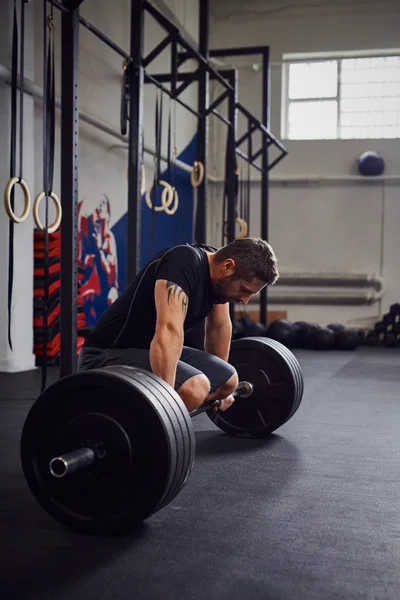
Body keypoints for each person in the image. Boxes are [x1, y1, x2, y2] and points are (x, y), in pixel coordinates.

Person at [77, 237, 279, 413]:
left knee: (229, 380)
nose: (245, 300)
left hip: (146, 349)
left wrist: (218, 387)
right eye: (245, 290)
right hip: (106, 354)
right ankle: (137, 429)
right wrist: (165, 405)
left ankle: (149, 411)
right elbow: (168, 330)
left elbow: (218, 327)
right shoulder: (183, 262)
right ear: (228, 267)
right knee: (195, 388)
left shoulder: (220, 275)